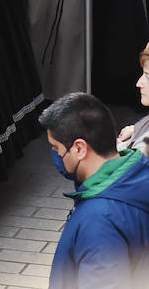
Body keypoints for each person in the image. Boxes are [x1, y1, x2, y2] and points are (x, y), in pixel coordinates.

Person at [42, 91, 149, 288]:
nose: (56, 156)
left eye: (56, 148)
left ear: (79, 148)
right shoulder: (138, 171)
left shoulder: (99, 219)